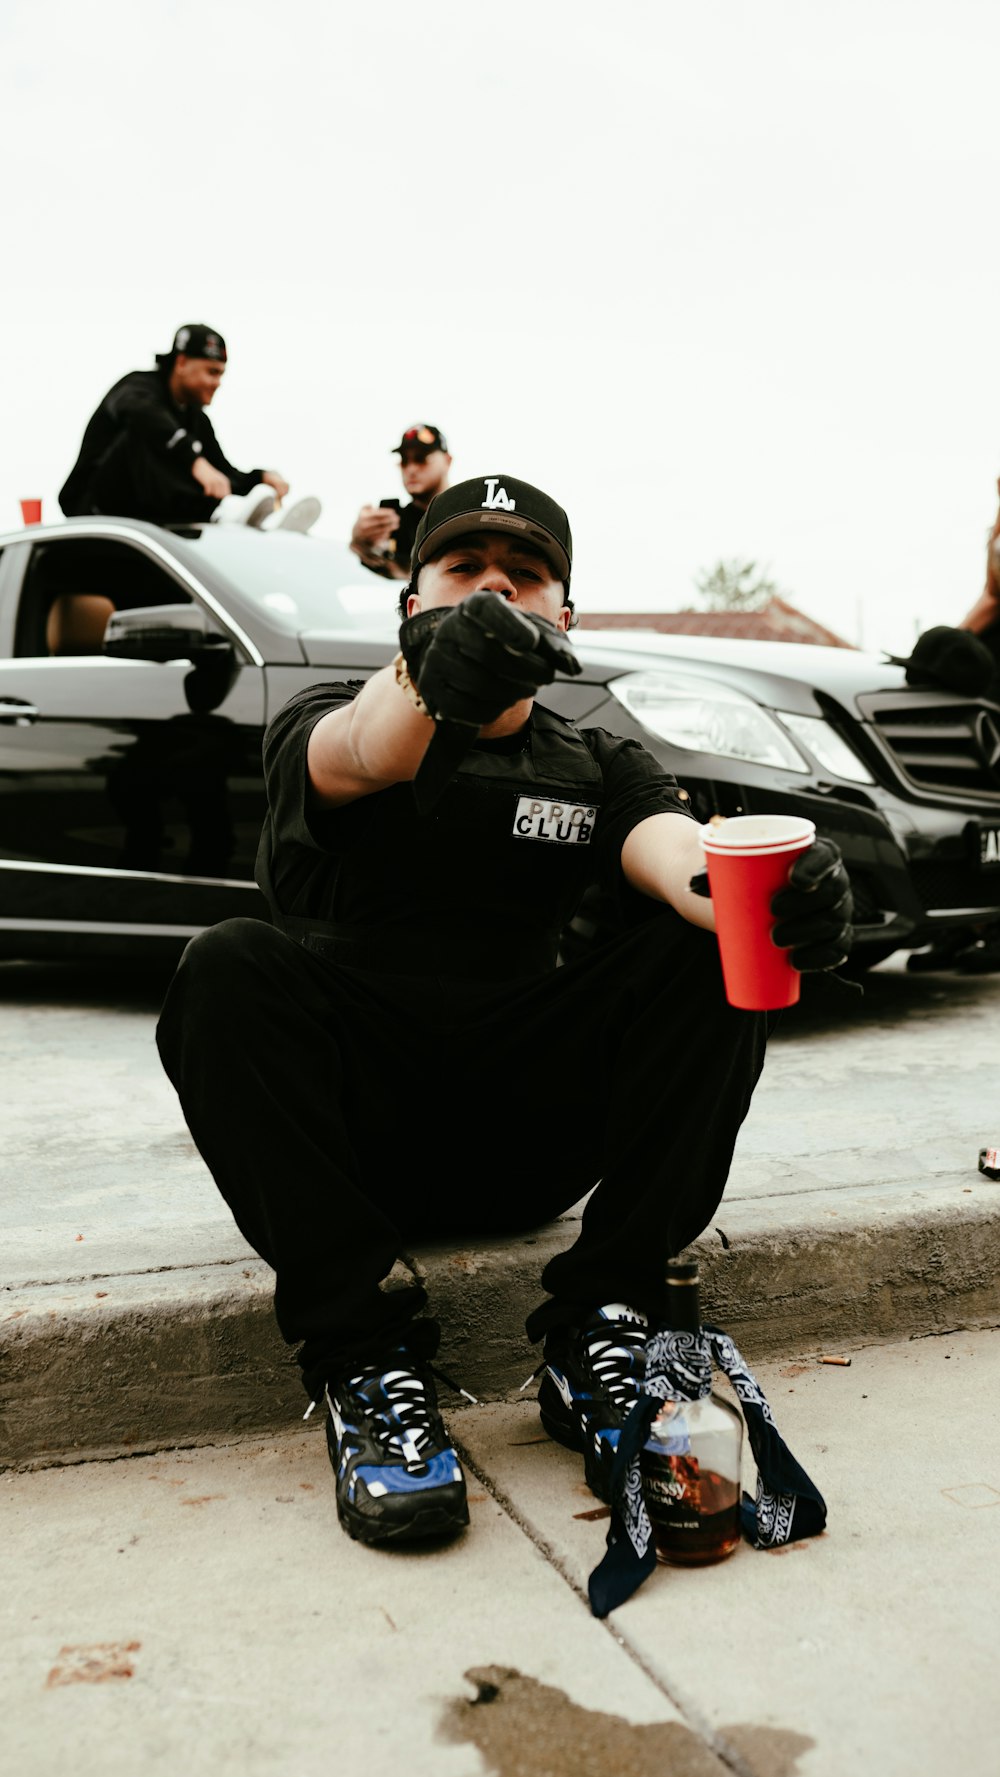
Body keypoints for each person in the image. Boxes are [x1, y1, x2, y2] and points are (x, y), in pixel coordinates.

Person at [156, 472, 852, 1549]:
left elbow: (670, 855)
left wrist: (758, 899)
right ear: (410, 601)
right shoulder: (330, 717)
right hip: (355, 1141)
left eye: (524, 578)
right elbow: (360, 752)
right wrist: (432, 686)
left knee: (700, 946)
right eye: (462, 572)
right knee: (225, 967)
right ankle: (366, 1363)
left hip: (525, 1131)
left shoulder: (594, 759)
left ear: (562, 620)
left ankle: (600, 1328)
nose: (494, 591)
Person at [59, 323, 321, 532]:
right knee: (147, 431)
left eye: (221, 374)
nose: (217, 382)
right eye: (211, 372)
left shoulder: (196, 419)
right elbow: (139, 412)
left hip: (147, 510)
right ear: (181, 363)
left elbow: (220, 474)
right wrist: (193, 459)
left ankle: (259, 519)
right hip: (92, 505)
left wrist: (259, 479)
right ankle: (218, 511)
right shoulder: (138, 387)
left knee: (205, 468)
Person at [349, 424, 452, 579]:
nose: (410, 469)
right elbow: (384, 576)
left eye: (421, 458)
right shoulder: (392, 524)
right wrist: (359, 544)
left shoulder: (468, 513)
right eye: (404, 461)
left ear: (447, 461)